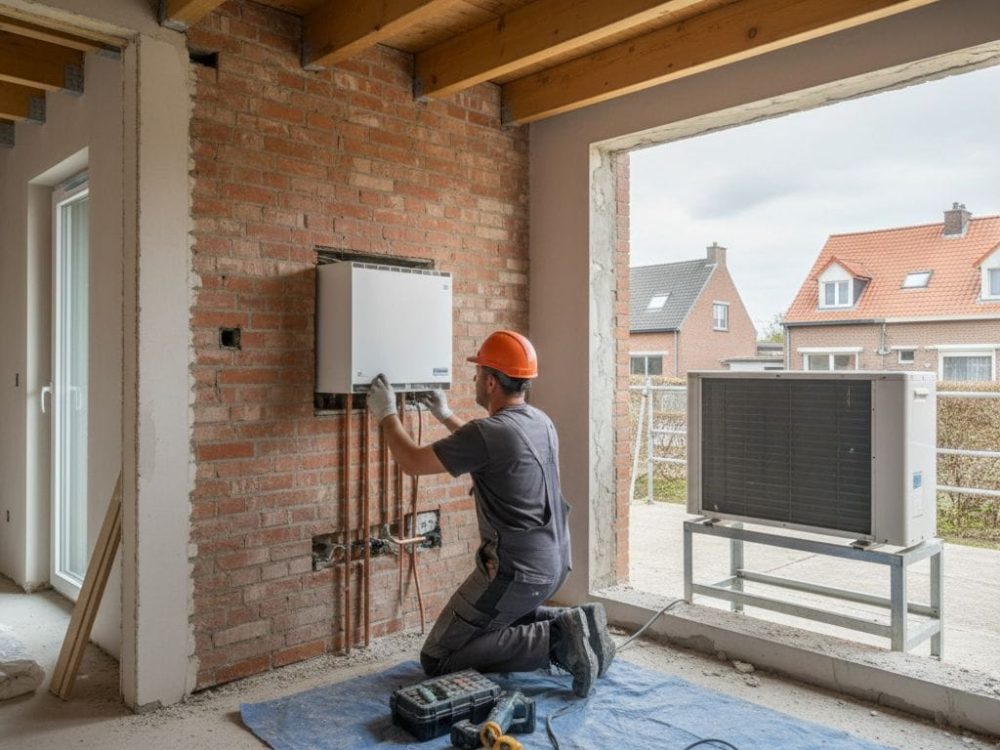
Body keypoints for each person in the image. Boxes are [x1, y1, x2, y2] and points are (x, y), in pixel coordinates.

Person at [366, 330, 615, 697]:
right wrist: (445, 414)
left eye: (478, 372)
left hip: (516, 572)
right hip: (555, 562)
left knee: (439, 656)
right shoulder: (539, 421)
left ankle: (558, 640)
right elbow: (489, 450)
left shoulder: (489, 433)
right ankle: (576, 624)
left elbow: (412, 462)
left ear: (491, 381)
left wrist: (386, 414)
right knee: (490, 624)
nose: (473, 380)